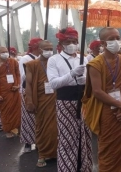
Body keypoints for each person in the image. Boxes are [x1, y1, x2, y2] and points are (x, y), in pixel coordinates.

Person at [82, 27, 121, 172]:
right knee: (109, 150)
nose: (116, 41)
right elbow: (98, 92)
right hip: (106, 112)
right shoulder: (95, 64)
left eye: (118, 38)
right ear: (103, 43)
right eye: (112, 39)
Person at [47, 27, 92, 172]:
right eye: (69, 41)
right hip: (65, 101)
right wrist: (72, 74)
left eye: (75, 41)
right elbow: (54, 83)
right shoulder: (54, 60)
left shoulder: (83, 58)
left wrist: (86, 79)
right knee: (67, 139)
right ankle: (67, 168)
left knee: (84, 137)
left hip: (82, 100)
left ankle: (84, 167)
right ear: (61, 42)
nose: (72, 44)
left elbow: (87, 80)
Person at [25, 40, 58, 168]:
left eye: (51, 48)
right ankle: (42, 154)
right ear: (39, 50)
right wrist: (29, 101)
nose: (49, 51)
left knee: (56, 128)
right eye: (46, 49)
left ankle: (55, 153)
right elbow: (28, 84)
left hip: (56, 99)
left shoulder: (55, 62)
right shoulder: (32, 64)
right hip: (41, 101)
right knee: (42, 127)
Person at [0, 46, 21, 138]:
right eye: (3, 52)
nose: (6, 53)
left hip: (14, 91)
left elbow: (18, 74)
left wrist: (18, 85)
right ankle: (8, 130)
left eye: (6, 51)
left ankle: (20, 130)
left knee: (18, 111)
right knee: (6, 112)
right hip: (4, 93)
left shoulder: (13, 62)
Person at [19, 37, 42, 152]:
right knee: (28, 117)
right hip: (28, 89)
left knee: (40, 117)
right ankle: (28, 142)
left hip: (40, 90)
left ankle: (39, 141)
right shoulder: (25, 59)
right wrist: (31, 69)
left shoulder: (44, 59)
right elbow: (23, 77)